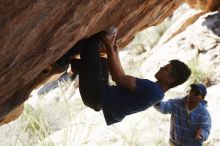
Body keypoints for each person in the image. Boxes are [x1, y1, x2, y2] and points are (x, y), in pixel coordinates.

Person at [70, 27, 191, 125]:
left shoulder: (152, 90)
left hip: (95, 93)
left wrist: (109, 46)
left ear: (171, 79)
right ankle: (78, 66)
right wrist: (114, 52)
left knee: (91, 43)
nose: (161, 68)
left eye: (165, 69)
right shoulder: (156, 93)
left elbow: (118, 77)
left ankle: (61, 62)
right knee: (103, 62)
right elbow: (121, 78)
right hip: (98, 95)